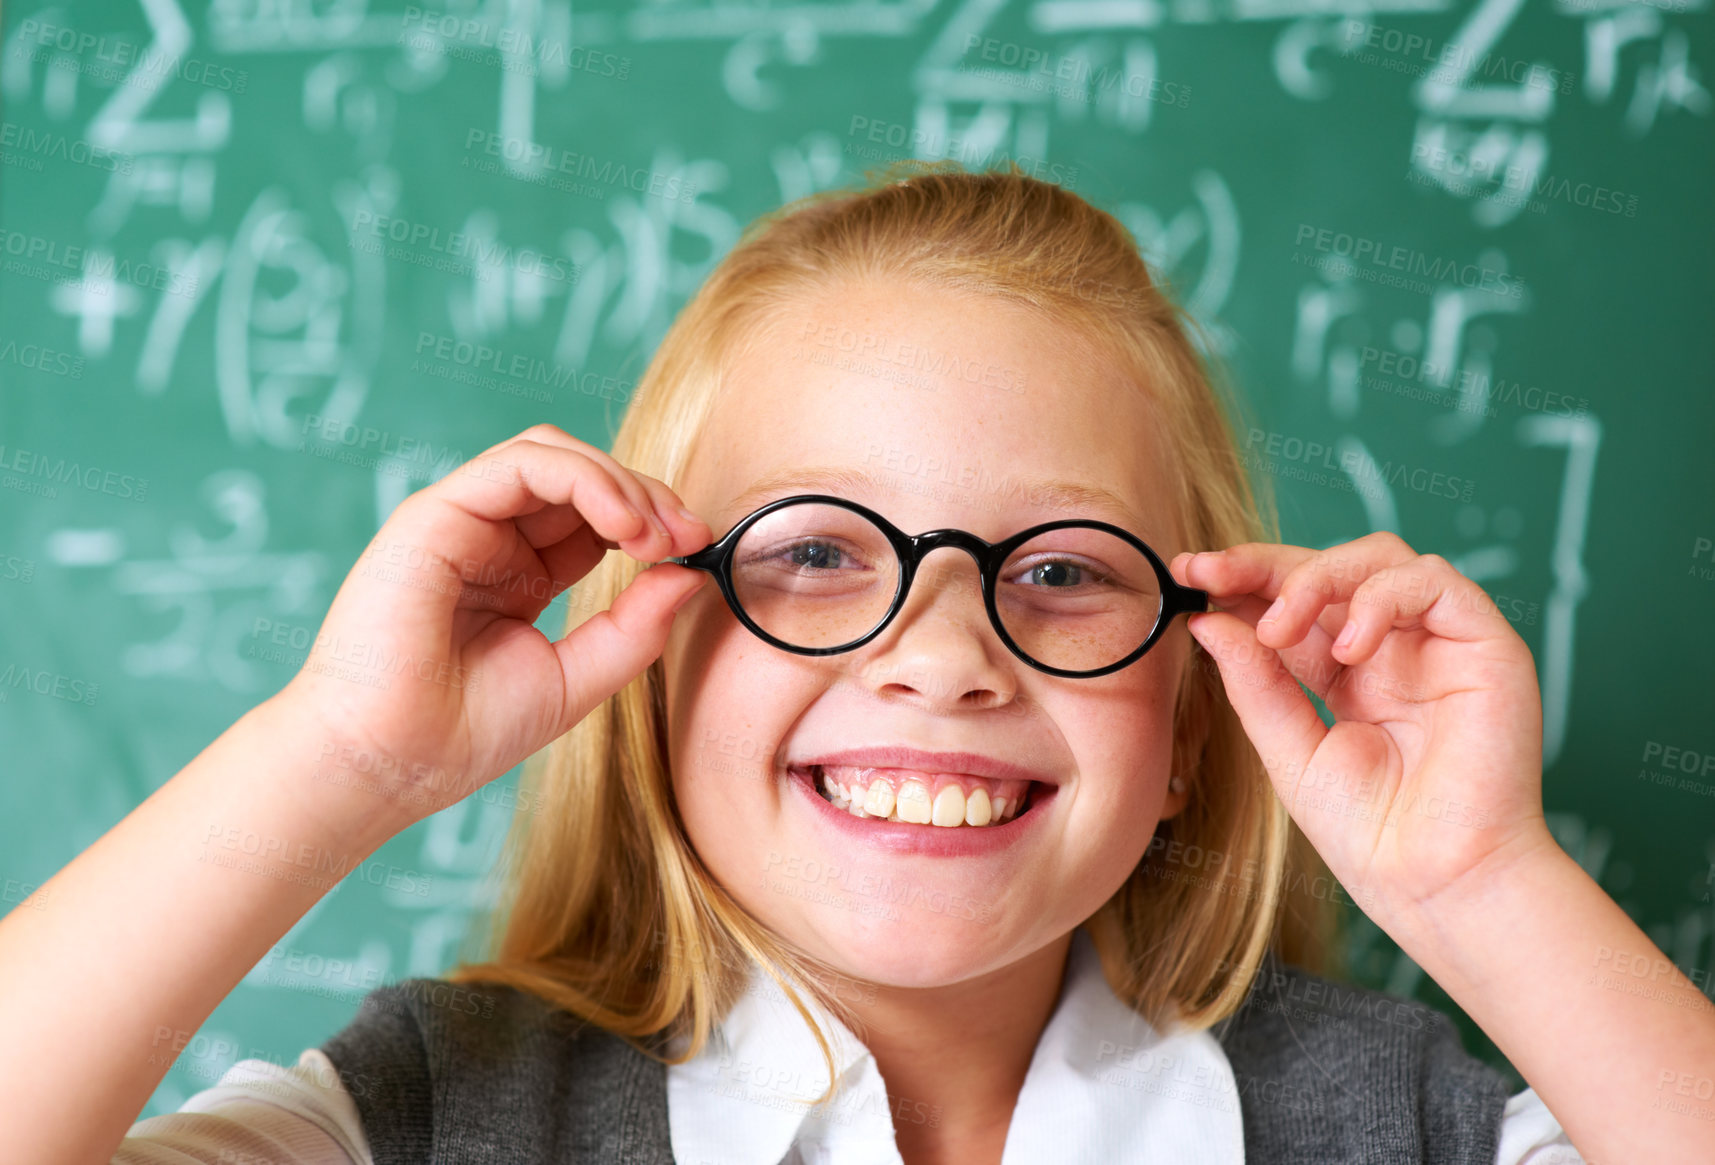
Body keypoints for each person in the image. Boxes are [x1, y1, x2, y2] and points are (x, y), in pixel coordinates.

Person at [3, 163, 1708, 1164]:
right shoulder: (446, 1113)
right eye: (817, 553)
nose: (940, 654)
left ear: (1189, 714)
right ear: (650, 661)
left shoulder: (1394, 1123)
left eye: (1057, 569)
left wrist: (1487, 879)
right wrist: (342, 754)